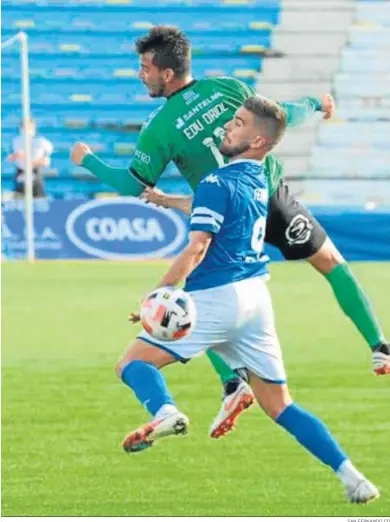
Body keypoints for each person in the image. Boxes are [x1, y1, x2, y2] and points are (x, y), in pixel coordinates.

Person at [71, 26, 389, 439]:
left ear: (167, 74)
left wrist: (88, 160)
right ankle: (379, 346)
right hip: (269, 196)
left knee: (204, 304)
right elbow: (280, 115)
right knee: (331, 264)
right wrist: (316, 102)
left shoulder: (160, 126)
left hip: (225, 216)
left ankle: (233, 383)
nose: (140, 75)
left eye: (145, 68)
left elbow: (133, 184)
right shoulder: (226, 88)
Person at [115, 96, 379, 504]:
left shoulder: (215, 183)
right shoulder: (257, 180)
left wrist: (160, 294)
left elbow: (197, 247)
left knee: (133, 362)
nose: (226, 128)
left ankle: (166, 411)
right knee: (281, 406)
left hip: (215, 299)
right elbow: (212, 207)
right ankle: (353, 478)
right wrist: (171, 201)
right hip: (256, 300)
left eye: (236, 124)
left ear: (257, 140)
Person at [8, 119, 53, 198]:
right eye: (25, 127)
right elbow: (10, 157)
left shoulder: (41, 142)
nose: (27, 130)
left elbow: (46, 160)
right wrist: (17, 156)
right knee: (18, 200)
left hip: (35, 173)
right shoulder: (15, 141)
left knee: (39, 199)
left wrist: (32, 162)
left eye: (30, 127)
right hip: (20, 173)